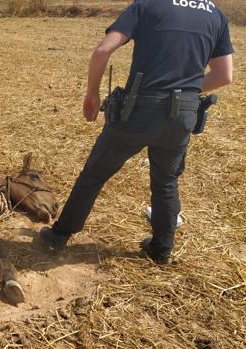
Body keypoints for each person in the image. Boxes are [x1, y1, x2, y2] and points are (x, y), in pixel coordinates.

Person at [40, 0, 234, 264]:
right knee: (166, 182)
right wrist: (184, 91)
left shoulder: (147, 5)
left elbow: (102, 51)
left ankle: (59, 235)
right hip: (183, 117)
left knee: (94, 174)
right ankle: (161, 250)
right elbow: (224, 75)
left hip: (138, 109)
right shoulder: (215, 15)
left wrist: (92, 94)